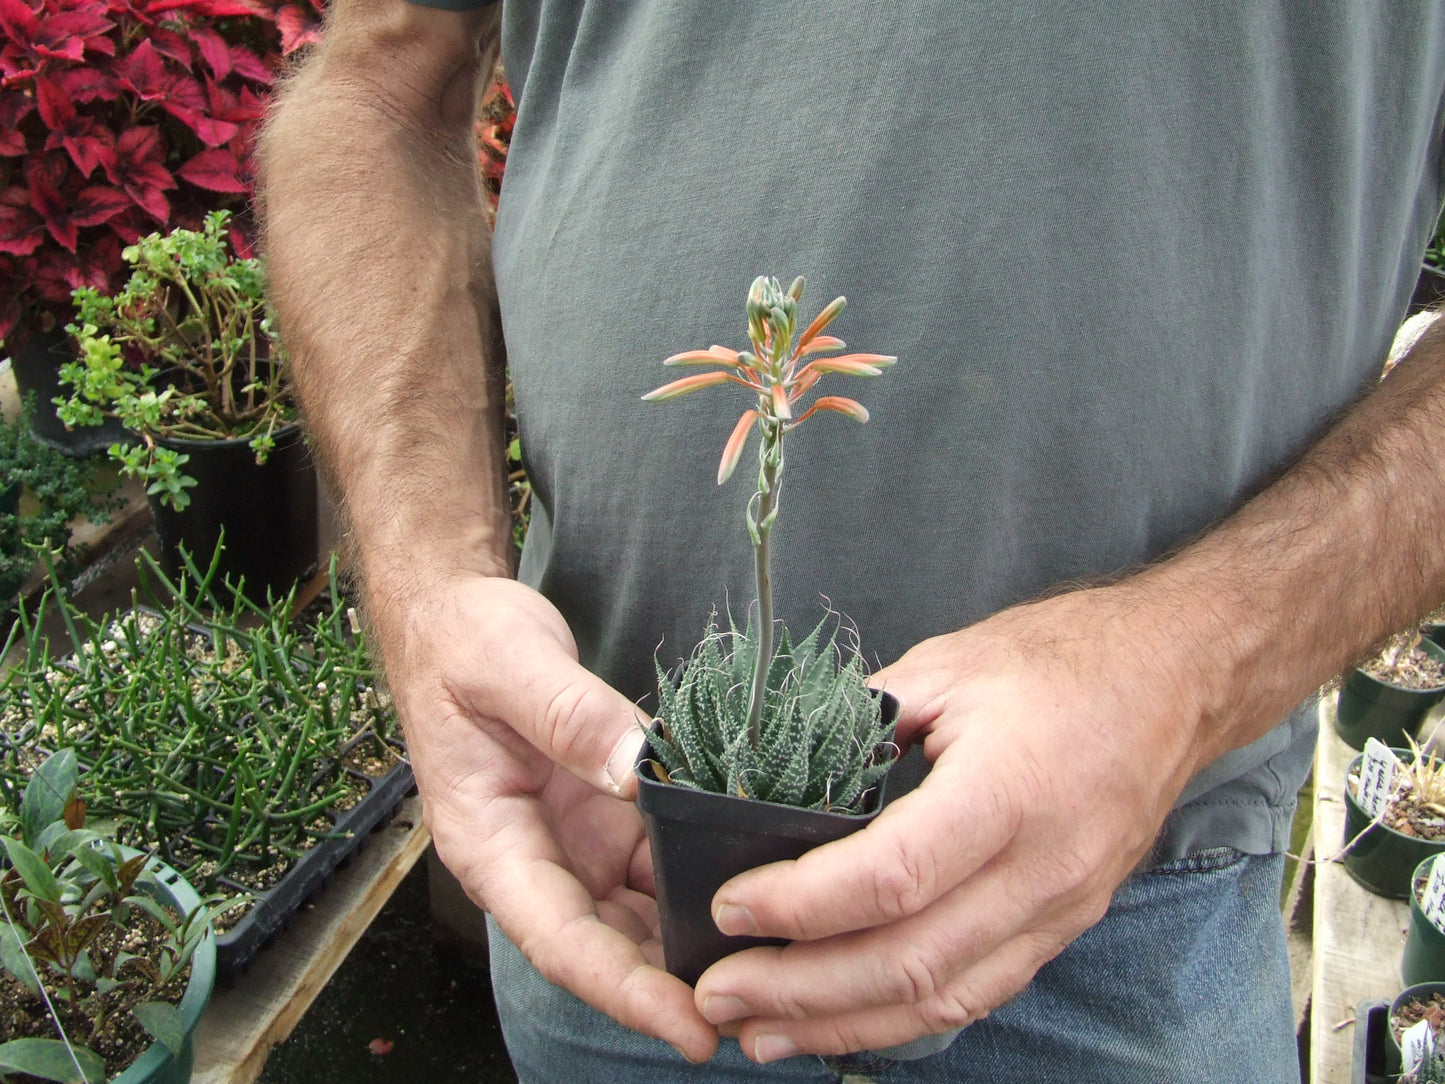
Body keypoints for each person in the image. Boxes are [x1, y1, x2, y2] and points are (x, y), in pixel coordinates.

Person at [257, 4, 1445, 1080]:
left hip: (1132, 911)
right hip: (617, 856)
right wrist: (427, 584)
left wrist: (1191, 661)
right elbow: (375, 87)